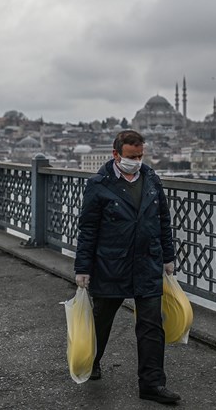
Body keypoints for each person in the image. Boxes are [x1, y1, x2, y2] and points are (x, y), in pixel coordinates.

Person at [74, 130, 180, 404]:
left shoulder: (151, 179)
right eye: (132, 157)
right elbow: (88, 230)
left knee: (151, 326)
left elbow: (163, 221)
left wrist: (168, 258)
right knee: (102, 320)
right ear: (116, 154)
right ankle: (91, 361)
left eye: (140, 156)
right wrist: (83, 268)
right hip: (111, 264)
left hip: (147, 262)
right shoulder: (99, 185)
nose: (137, 161)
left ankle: (152, 384)